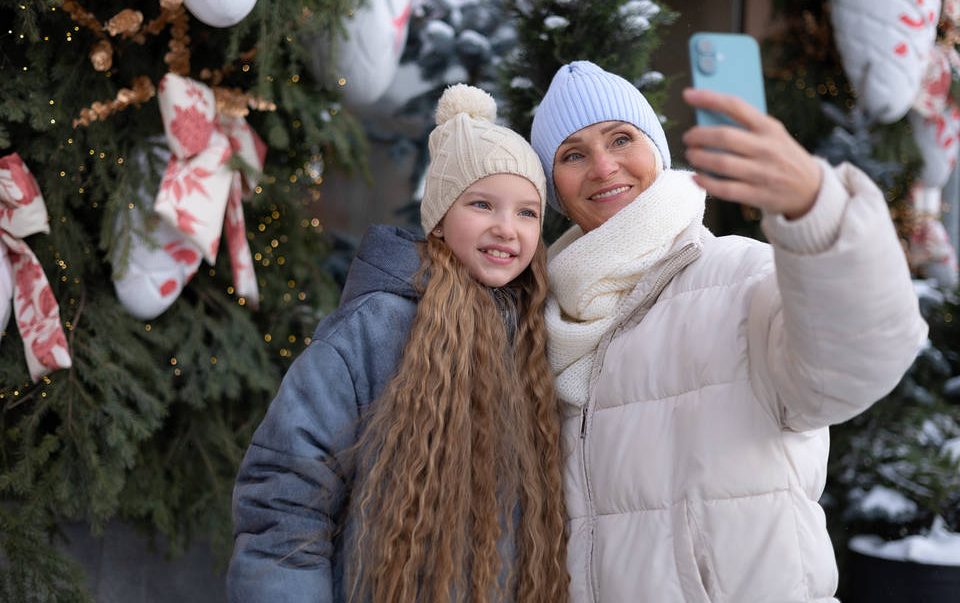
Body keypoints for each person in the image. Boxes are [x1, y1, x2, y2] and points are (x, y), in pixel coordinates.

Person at [528, 60, 928, 603]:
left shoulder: (741, 276)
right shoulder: (548, 318)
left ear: (657, 152)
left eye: (621, 138)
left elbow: (859, 359)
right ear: (555, 187)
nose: (602, 166)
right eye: (573, 154)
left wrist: (818, 213)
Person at [227, 84, 569, 603]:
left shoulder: (531, 336)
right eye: (482, 204)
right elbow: (286, 494)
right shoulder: (376, 326)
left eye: (527, 213)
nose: (507, 229)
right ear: (439, 216)